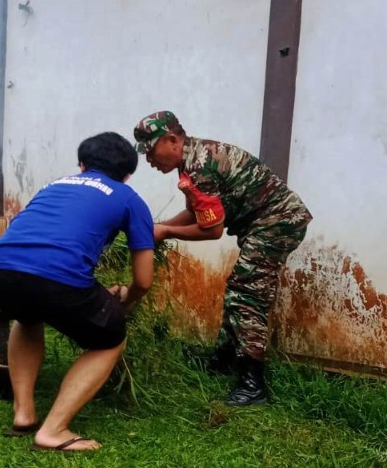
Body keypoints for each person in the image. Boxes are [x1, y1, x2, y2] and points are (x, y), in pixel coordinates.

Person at [0, 132, 155, 452]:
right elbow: (143, 280)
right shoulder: (129, 198)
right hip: (54, 279)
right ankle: (53, 430)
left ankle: (24, 412)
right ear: (128, 174)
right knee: (110, 337)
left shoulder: (53, 186)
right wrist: (124, 305)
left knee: (27, 317)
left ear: (82, 165)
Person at [133, 110, 311, 407]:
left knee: (246, 295)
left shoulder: (200, 166)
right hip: (270, 221)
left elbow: (212, 230)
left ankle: (253, 384)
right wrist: (161, 227)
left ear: (172, 140)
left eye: (151, 151)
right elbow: (198, 213)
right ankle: (224, 360)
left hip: (278, 221)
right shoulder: (194, 160)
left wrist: (165, 232)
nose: (149, 160)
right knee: (239, 288)